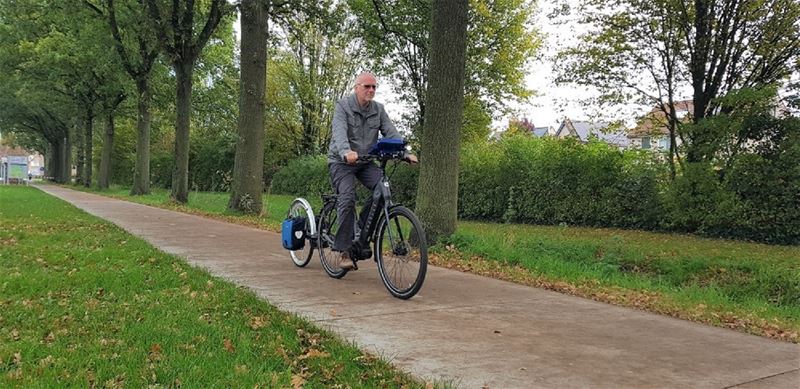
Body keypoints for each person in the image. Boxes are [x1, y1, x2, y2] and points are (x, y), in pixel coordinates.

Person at [327, 72, 418, 270]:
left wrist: (405, 152)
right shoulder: (343, 106)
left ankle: (361, 229)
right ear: (356, 87)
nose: (371, 90)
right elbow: (339, 133)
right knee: (348, 197)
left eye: (374, 87)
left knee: (382, 187)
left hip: (366, 161)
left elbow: (392, 133)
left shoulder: (379, 109)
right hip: (341, 162)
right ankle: (344, 251)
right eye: (367, 86)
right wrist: (345, 151)